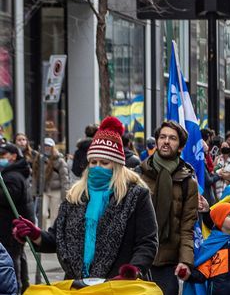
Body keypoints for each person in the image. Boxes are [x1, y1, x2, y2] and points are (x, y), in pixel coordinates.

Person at [12, 116, 157, 281]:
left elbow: (147, 242)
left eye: (104, 163)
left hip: (121, 288)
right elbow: (57, 239)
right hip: (79, 288)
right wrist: (35, 234)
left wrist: (133, 270)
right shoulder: (75, 196)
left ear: (117, 165)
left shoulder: (136, 196)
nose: (97, 167)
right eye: (93, 162)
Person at [139, 120, 200, 295]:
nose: (165, 142)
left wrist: (185, 261)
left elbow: (188, 226)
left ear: (180, 145)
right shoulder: (138, 175)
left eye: (172, 138)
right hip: (138, 259)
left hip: (167, 260)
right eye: (162, 137)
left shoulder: (188, 181)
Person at [0, 142, 34, 291]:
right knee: (19, 255)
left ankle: (16, 288)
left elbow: (8, 198)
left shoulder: (12, 176)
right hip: (16, 223)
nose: (1, 158)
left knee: (12, 257)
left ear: (13, 156)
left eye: (3, 155)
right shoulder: (15, 172)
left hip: (11, 225)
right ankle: (24, 286)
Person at [35, 137, 70, 230]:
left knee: (54, 215)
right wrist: (34, 191)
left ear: (53, 147)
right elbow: (35, 176)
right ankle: (41, 233)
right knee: (42, 214)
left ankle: (52, 235)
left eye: (48, 146)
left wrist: (65, 194)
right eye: (45, 146)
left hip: (56, 191)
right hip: (44, 191)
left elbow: (65, 178)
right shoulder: (38, 159)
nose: (46, 148)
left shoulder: (59, 160)